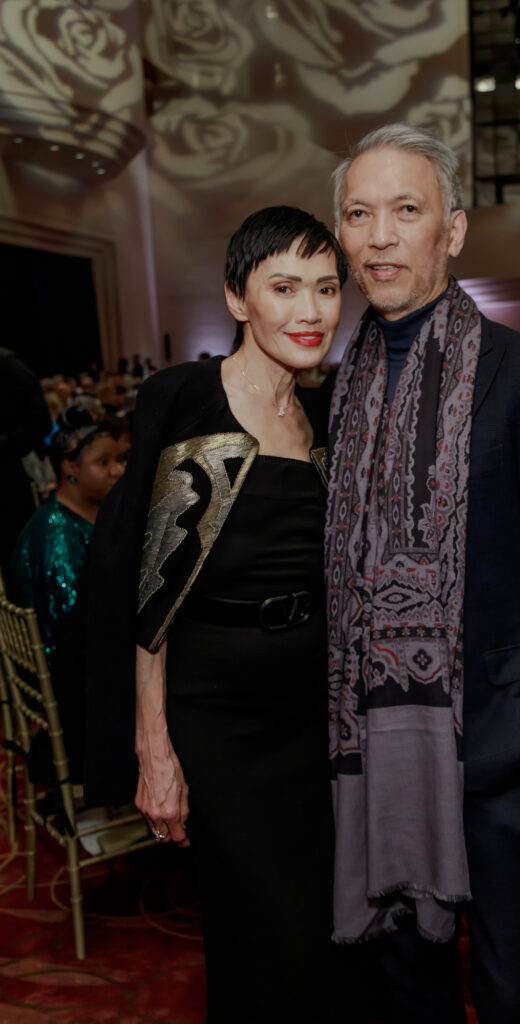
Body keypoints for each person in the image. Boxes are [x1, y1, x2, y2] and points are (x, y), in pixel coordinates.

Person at [326, 124, 520, 1023]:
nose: (380, 236)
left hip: (500, 753)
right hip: (373, 758)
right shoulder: (335, 390)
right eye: (358, 214)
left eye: (405, 211)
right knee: (401, 992)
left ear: (451, 231)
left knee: (512, 992)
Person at [84, 206, 346, 1023]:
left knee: (320, 922)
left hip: (310, 705)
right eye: (284, 287)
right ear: (238, 298)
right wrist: (153, 746)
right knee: (255, 925)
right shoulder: (185, 397)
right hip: (217, 711)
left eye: (326, 288)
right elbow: (144, 589)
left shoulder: (325, 415)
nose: (310, 310)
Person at [8, 406, 124, 778]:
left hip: (77, 667)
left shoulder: (87, 512)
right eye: (103, 462)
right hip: (72, 692)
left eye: (119, 459)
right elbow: (82, 630)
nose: (117, 470)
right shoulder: (57, 535)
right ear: (69, 467)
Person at [0, 347, 51, 576]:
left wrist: (4, 442)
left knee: (17, 566)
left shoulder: (7, 364)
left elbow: (39, 421)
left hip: (7, 486)